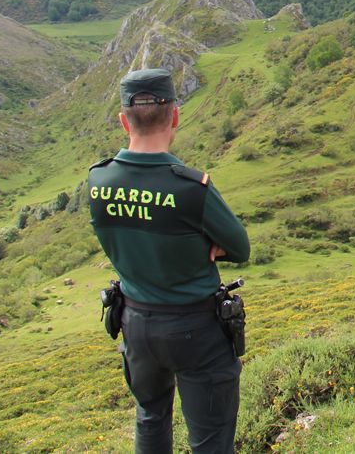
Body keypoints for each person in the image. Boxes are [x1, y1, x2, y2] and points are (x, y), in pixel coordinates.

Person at [88, 68, 250, 454]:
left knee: (150, 416)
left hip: (136, 324)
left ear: (123, 120)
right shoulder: (190, 188)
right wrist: (209, 243)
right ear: (175, 115)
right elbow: (240, 248)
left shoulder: (98, 181)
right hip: (196, 328)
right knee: (210, 438)